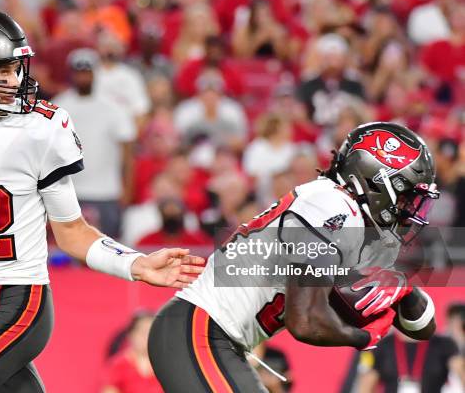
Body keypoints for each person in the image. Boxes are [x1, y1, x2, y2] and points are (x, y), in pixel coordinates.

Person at [0, 9, 204, 393]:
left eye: (16, 68)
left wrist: (135, 264)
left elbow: (72, 231)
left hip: (15, 299)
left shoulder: (39, 130)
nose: (15, 80)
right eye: (1, 70)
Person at [148, 122, 440, 392]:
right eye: (407, 196)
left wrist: (404, 290)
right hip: (199, 331)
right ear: (376, 181)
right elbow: (306, 322)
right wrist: (365, 338)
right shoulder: (331, 205)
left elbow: (424, 328)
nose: (410, 208)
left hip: (218, 340)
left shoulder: (353, 223)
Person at [54, 48, 136, 236]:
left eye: (87, 72)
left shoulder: (113, 108)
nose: (83, 77)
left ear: (95, 72)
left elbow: (127, 150)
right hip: (71, 191)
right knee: (71, 247)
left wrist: (128, 188)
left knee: (108, 245)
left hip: (107, 191)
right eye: (79, 72)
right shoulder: (59, 105)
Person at [100, 311, 163, 393]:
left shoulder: (165, 365)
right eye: (143, 331)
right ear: (131, 335)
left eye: (151, 331)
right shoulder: (118, 365)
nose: (147, 336)